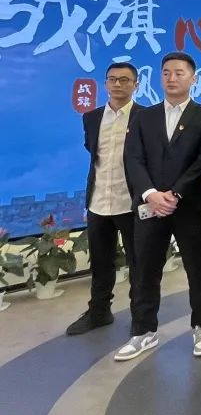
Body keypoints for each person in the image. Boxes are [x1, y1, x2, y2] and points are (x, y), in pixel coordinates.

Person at [116, 52, 201, 361]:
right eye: (166, 73)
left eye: (179, 72)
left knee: (198, 270)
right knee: (144, 270)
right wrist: (150, 194)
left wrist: (174, 194)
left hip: (188, 207)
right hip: (150, 207)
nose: (172, 78)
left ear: (193, 79)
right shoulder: (143, 116)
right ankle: (143, 331)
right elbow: (133, 158)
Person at [66, 63, 145, 336]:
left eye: (125, 80)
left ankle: (141, 316)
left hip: (131, 202)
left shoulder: (146, 117)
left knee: (138, 263)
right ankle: (99, 312)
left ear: (136, 84)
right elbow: (93, 151)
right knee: (101, 262)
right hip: (99, 201)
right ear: (106, 83)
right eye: (112, 79)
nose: (118, 84)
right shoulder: (91, 117)